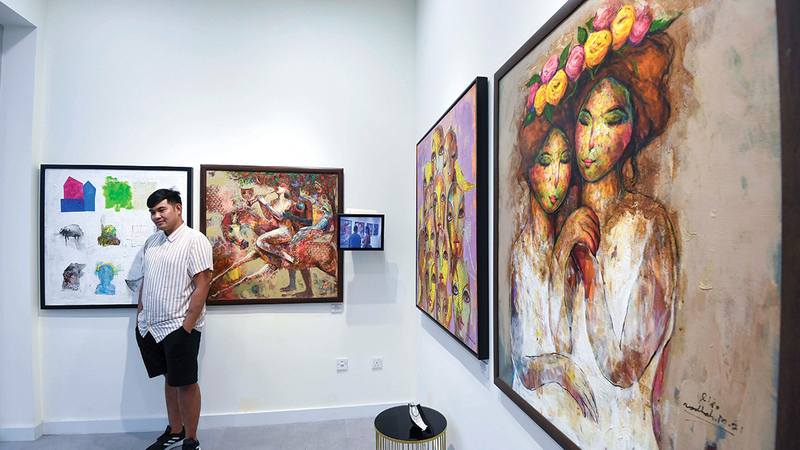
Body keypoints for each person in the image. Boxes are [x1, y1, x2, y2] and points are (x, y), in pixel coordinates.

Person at [554, 33, 679, 446]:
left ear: (634, 131)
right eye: (585, 120)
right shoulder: (570, 226)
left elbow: (623, 368)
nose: (592, 139)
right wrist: (561, 254)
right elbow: (558, 342)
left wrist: (588, 267)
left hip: (626, 435)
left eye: (612, 120)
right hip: (564, 426)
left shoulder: (650, 225)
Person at [136, 189, 212, 450]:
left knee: (186, 383)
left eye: (161, 210)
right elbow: (146, 282)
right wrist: (140, 316)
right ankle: (175, 431)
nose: (156, 216)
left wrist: (187, 327)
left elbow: (203, 284)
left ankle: (191, 439)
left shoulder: (195, 240)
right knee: (170, 380)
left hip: (179, 326)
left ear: (178, 208)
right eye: (152, 212)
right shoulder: (152, 242)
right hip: (150, 326)